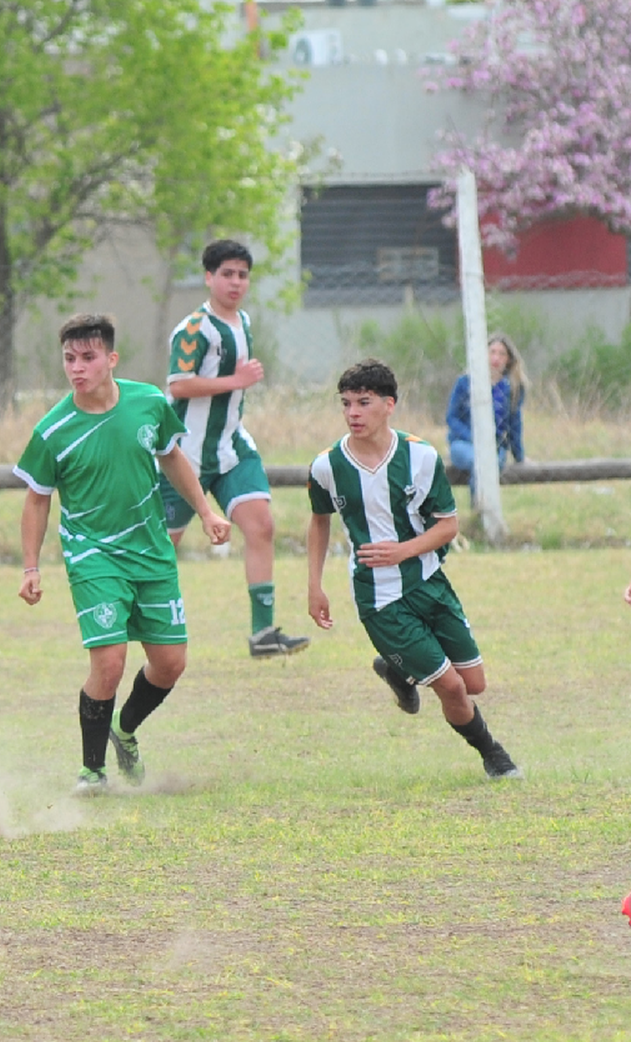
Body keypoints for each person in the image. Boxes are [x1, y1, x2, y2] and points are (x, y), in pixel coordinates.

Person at [16, 313, 233, 794]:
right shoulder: (53, 430)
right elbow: (36, 499)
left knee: (170, 663)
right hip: (93, 555)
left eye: (88, 358)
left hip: (151, 550)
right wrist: (31, 567)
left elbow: (172, 456)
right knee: (110, 662)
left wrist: (207, 511)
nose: (77, 368)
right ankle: (92, 772)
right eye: (69, 358)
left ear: (111, 359)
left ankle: (125, 729)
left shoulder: (150, 403)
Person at [306, 358, 522, 780]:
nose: (353, 413)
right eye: (346, 404)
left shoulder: (420, 456)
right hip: (379, 596)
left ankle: (397, 668)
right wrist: (314, 587)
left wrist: (403, 551)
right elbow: (318, 521)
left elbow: (448, 526)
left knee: (474, 683)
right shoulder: (327, 466)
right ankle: (495, 757)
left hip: (429, 582)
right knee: (453, 689)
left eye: (363, 403)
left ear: (389, 405)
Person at [159, 239, 308, 659]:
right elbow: (178, 383)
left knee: (261, 526)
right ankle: (148, 624)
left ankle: (263, 635)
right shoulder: (194, 329)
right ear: (209, 277)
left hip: (230, 447)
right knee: (161, 546)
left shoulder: (243, 320)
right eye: (227, 274)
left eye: (242, 274)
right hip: (183, 454)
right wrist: (234, 382)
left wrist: (234, 388)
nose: (235, 282)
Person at [446, 332, 528, 496]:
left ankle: (483, 511)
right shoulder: (465, 383)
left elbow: (514, 424)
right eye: (492, 352)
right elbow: (452, 418)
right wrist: (473, 438)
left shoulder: (512, 389)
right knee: (479, 462)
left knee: (490, 462)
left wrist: (520, 457)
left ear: (509, 359)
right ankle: (480, 511)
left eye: (502, 354)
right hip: (463, 444)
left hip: (494, 447)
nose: (496, 358)